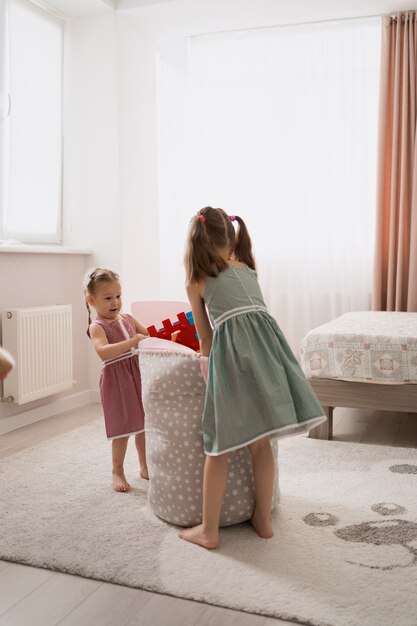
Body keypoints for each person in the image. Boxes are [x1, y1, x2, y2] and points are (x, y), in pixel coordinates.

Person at [179, 207, 326, 549]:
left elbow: (205, 338)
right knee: (261, 443)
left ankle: (209, 531)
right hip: (270, 356)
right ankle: (263, 519)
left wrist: (205, 367)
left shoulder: (196, 280)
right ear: (230, 238)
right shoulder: (248, 270)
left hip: (234, 361)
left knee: (220, 447)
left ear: (196, 243)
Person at [84, 267, 149, 492]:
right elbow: (103, 351)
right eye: (108, 298)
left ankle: (145, 465)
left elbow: (148, 336)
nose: (115, 302)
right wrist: (132, 342)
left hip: (137, 372)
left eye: (118, 296)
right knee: (122, 426)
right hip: (116, 379)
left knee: (144, 423)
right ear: (92, 300)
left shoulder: (129, 318)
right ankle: (117, 471)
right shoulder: (97, 326)